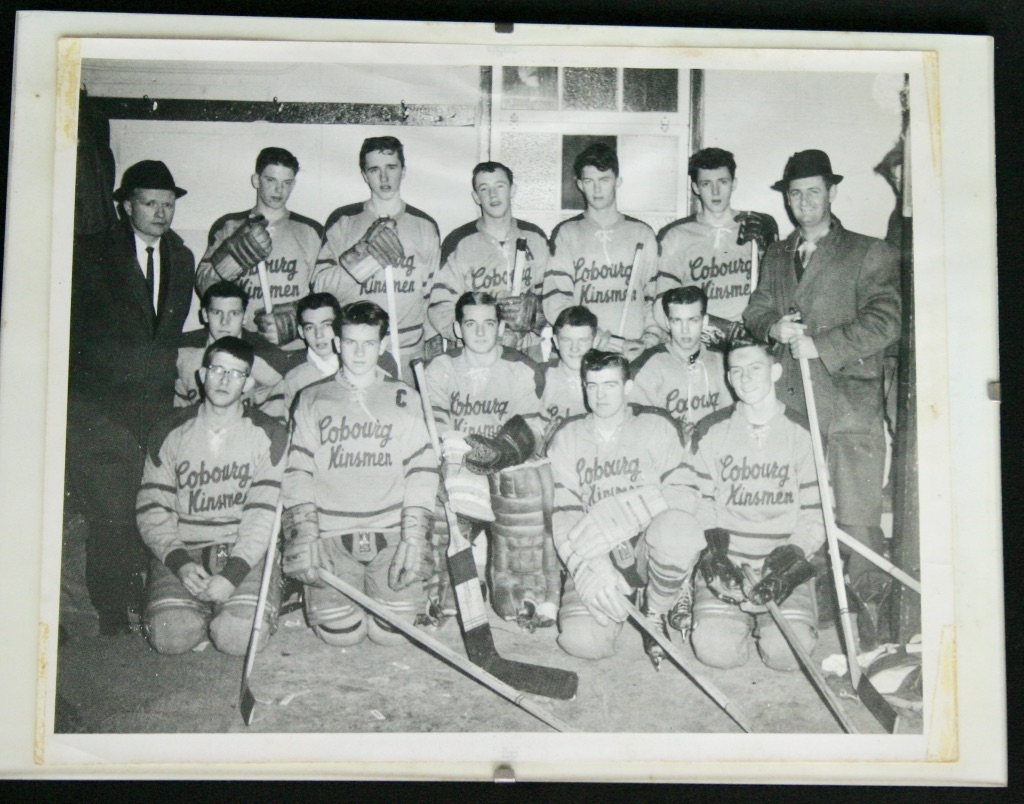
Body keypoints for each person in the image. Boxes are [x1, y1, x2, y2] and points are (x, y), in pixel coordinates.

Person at [743, 149, 901, 637]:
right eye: (795, 193)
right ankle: (810, 600)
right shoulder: (776, 254)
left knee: (855, 513)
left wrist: (821, 344)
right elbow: (755, 310)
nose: (804, 201)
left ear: (832, 193)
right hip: (792, 403)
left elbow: (886, 321)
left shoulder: (869, 250)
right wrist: (775, 325)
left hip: (849, 405)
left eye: (814, 191)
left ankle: (870, 621)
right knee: (803, 507)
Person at [66, 159, 196, 634]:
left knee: (146, 507)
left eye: (168, 204)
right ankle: (111, 614)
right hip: (99, 408)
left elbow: (167, 333)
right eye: (149, 202)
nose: (161, 212)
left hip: (154, 408)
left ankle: (140, 601)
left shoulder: (181, 258)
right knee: (108, 513)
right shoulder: (92, 253)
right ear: (126, 205)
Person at [280, 301, 439, 646]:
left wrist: (413, 536)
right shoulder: (311, 398)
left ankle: (383, 598)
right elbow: (297, 471)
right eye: (351, 342)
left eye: (369, 343)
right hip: (332, 535)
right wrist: (305, 534)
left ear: (382, 345)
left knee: (392, 635)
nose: (359, 352)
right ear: (337, 342)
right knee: (341, 635)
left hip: (390, 532)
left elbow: (422, 471)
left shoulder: (404, 396)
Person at [546, 350, 705, 664]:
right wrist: (585, 567)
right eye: (592, 386)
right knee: (583, 641)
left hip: (648, 545)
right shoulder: (567, 435)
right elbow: (562, 513)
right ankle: (621, 594)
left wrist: (628, 512)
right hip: (597, 551)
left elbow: (685, 493)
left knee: (679, 530)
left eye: (609, 385)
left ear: (628, 387)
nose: (600, 395)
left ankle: (656, 606)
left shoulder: (657, 425)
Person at [136, 337, 288, 655]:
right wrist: (179, 564)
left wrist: (233, 574)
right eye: (217, 369)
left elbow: (263, 515)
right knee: (170, 637)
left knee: (237, 638)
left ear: (248, 383)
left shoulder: (268, 433)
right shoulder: (169, 430)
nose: (224, 380)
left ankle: (230, 608)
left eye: (235, 373)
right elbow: (152, 507)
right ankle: (196, 609)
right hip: (184, 551)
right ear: (202, 375)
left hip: (242, 552)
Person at [682, 337, 823, 671]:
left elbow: (816, 513)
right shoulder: (712, 429)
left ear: (775, 371)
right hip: (729, 563)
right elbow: (701, 502)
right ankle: (731, 621)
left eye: (755, 368)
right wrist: (713, 554)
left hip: (782, 562)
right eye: (737, 371)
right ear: (728, 379)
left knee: (788, 657)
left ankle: (775, 624)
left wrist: (790, 562)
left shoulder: (802, 431)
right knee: (716, 653)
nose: (745, 378)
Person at [423, 292, 550, 627]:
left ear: (501, 327)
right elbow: (434, 423)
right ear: (457, 328)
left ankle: (514, 581)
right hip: (459, 461)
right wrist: (461, 451)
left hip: (503, 465)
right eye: (471, 324)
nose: (480, 333)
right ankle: (447, 581)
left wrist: (503, 452)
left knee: (524, 482)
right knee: (437, 485)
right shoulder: (442, 366)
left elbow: (533, 427)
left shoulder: (520, 367)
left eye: (489, 324)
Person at [312, 136, 440, 380]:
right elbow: (320, 288)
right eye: (374, 169)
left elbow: (430, 296)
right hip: (358, 350)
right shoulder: (344, 221)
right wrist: (364, 256)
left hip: (408, 349)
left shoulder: (424, 225)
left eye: (391, 167)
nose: (384, 178)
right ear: (364, 174)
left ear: (403, 170)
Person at [541, 143, 660, 359]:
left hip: (633, 351)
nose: (597, 190)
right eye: (589, 181)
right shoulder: (567, 233)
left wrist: (648, 340)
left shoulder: (642, 233)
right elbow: (555, 300)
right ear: (579, 184)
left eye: (604, 180)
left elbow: (654, 298)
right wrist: (589, 335)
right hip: (585, 351)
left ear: (618, 181)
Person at [195, 147, 323, 346]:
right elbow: (204, 287)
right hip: (239, 343)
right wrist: (232, 260)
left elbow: (323, 294)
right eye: (270, 180)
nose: (279, 190)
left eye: (286, 183)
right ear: (256, 180)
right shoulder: (229, 226)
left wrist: (295, 319)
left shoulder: (310, 230)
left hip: (292, 345)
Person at [429, 162, 550, 357]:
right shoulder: (459, 242)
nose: (493, 195)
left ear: (512, 190)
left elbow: (553, 297)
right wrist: (481, 337)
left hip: (526, 350)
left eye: (499, 186)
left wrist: (534, 315)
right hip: (474, 353)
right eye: (484, 189)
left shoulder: (535, 237)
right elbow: (440, 307)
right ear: (476, 197)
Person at [655, 147, 778, 324]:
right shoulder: (675, 235)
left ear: (734, 183)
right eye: (706, 184)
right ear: (696, 187)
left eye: (722, 182)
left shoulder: (757, 225)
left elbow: (776, 292)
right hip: (699, 338)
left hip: (750, 336)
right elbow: (662, 304)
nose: (715, 191)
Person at [630, 286, 732, 443]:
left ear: (704, 321)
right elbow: (637, 426)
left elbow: (734, 417)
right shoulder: (648, 366)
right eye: (677, 320)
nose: (685, 330)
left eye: (693, 320)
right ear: (667, 323)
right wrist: (672, 430)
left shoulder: (722, 361)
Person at [173, 281, 294, 412]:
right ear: (205, 315)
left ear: (245, 317)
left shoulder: (268, 357)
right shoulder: (180, 350)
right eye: (217, 313)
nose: (225, 322)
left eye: (234, 313)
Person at [538, 305, 597, 448]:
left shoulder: (609, 377)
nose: (574, 348)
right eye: (566, 340)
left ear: (594, 341)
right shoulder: (540, 376)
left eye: (582, 340)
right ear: (556, 342)